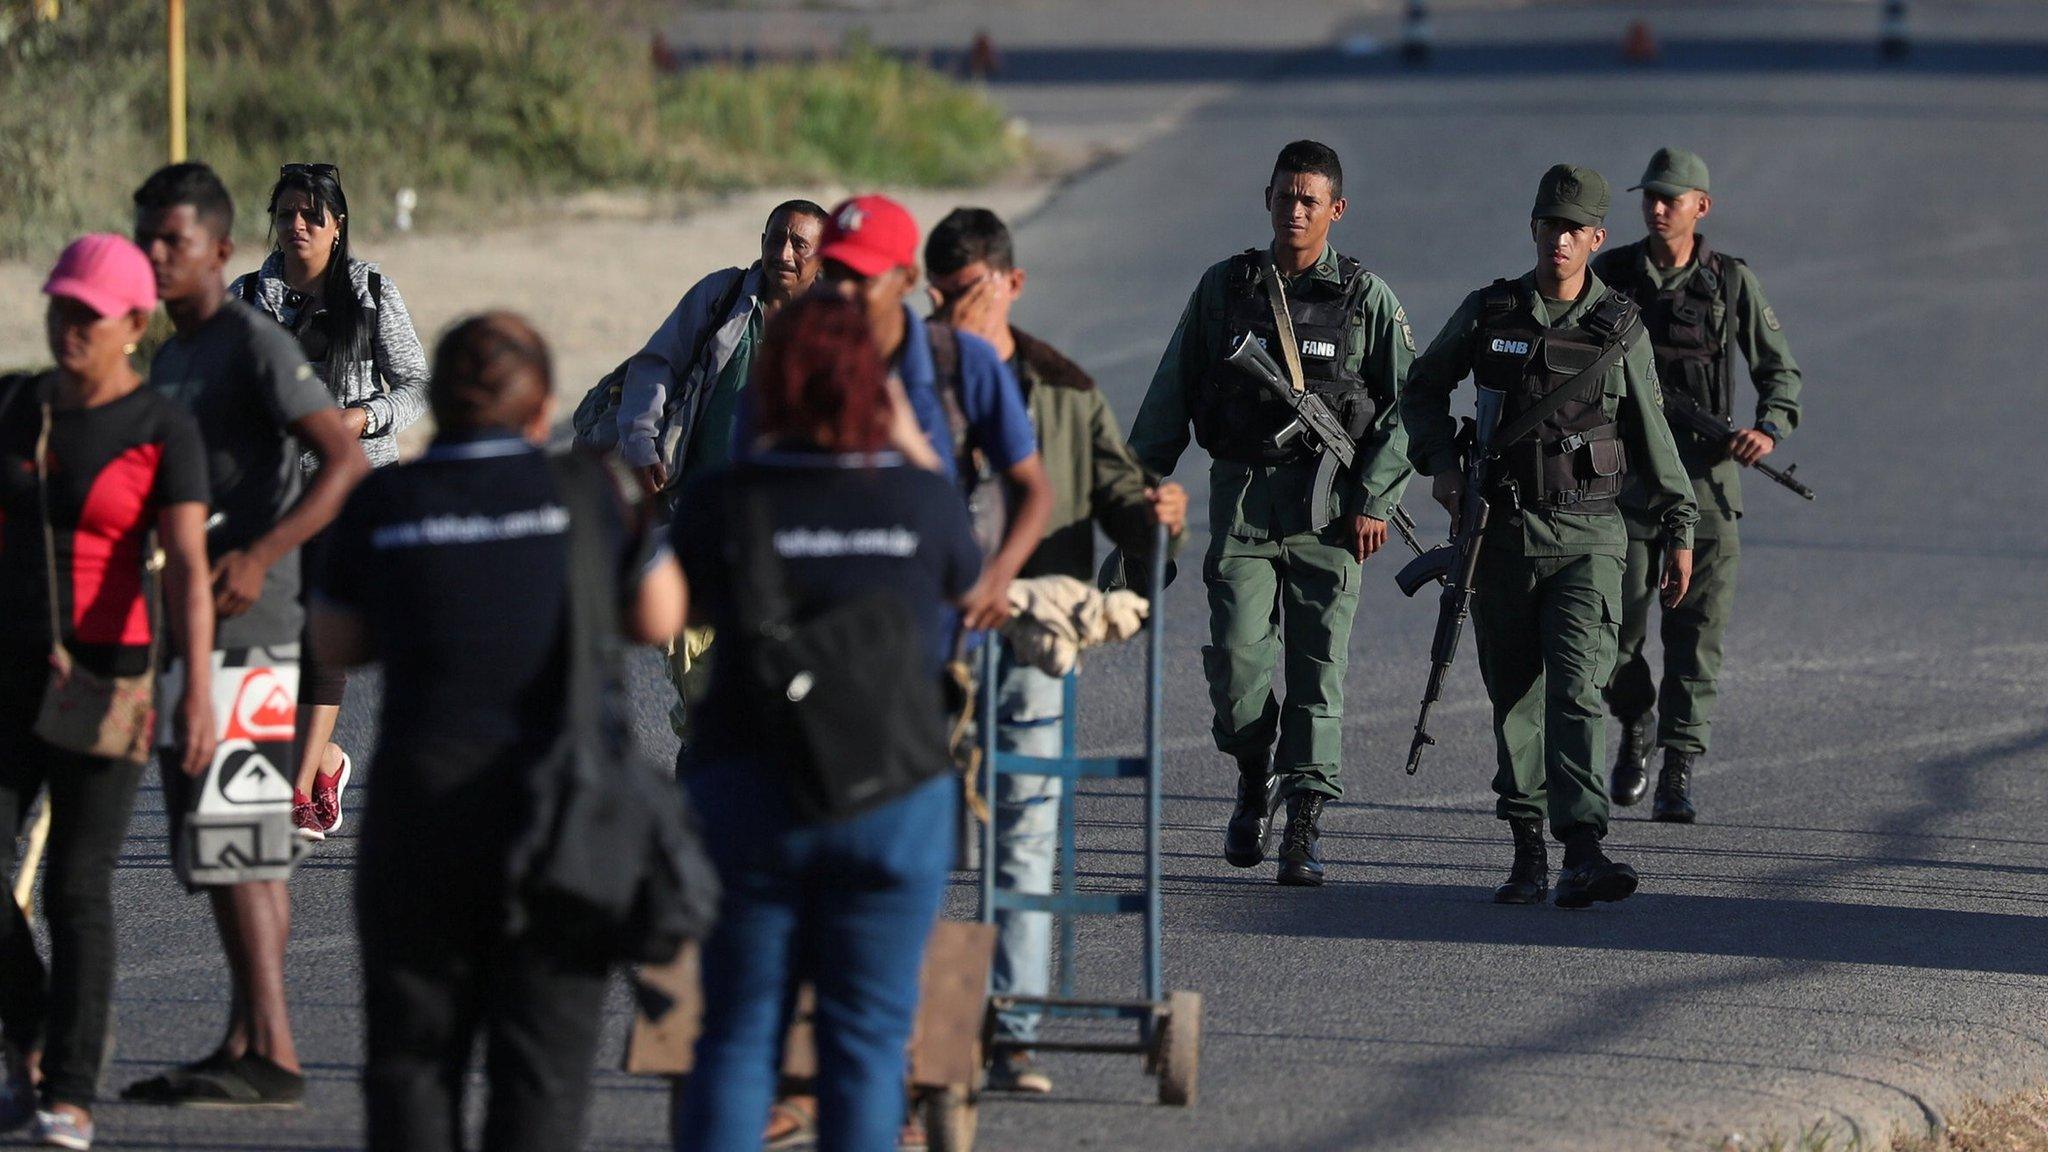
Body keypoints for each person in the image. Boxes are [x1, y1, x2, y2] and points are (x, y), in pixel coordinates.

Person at [310, 312, 681, 1152]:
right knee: (541, 1075)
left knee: (413, 1061)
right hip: (561, 822)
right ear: (543, 405)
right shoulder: (592, 491)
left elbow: (337, 643)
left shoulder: (385, 500)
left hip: (424, 817)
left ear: (436, 402)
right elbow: (660, 616)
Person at [670, 296, 980, 1152]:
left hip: (750, 787)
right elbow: (965, 580)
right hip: (890, 790)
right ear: (872, 390)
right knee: (867, 1042)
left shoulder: (727, 503)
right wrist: (911, 442)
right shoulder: (921, 503)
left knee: (737, 1035)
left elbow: (669, 604)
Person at [924, 206, 1187, 1096]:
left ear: (1011, 283)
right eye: (942, 294)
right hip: (922, 646)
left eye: (971, 292)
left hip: (1032, 637)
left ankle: (1010, 1031)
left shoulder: (1063, 391)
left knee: (1025, 838)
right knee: (919, 838)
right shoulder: (906, 380)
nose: (958, 310)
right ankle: (921, 1026)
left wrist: (1157, 520)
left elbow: (1119, 489)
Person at [122, 162, 370, 1106]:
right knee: (227, 843)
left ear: (221, 251)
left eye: (172, 241)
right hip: (194, 617)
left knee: (243, 840)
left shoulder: (249, 342)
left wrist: (264, 554)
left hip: (255, 620)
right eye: (146, 237)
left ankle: (273, 1051)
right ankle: (246, 1038)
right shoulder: (174, 355)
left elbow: (342, 457)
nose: (154, 256)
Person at [1399, 164, 1698, 909]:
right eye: (1548, 224)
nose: (1560, 239)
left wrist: (1680, 522)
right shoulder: (1491, 312)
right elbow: (1421, 386)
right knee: (1516, 699)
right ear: (1533, 228)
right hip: (1500, 538)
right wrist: (1439, 464)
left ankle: (1585, 847)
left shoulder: (1619, 329)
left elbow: (1653, 436)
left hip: (1590, 539)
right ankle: (1527, 844)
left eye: (1574, 228)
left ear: (1597, 237)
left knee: (1575, 690)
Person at [1126, 140, 1416, 886]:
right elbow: (1171, 393)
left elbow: (1408, 410)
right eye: (1285, 195)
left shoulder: (1365, 298)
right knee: (1235, 665)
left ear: (1336, 210)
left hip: (1330, 513)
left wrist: (1375, 499)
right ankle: (1254, 774)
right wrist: (1135, 495)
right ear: (1268, 198)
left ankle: (1305, 825)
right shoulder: (1225, 289)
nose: (1295, 210)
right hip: (1245, 500)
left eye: (1310, 200)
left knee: (1320, 669)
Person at [0, 235, 217, 1151]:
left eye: (87, 312)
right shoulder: (13, 403)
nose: (68, 324)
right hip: (8, 675)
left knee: (76, 889)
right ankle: (36, 1028)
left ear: (134, 325)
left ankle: (70, 1093)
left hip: (112, 680)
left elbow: (189, 575)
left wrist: (195, 687)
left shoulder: (160, 426)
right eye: (59, 306)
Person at [1593, 148, 1804, 823]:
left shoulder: (1729, 283)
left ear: (1700, 207)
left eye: (1672, 198)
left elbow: (1781, 373)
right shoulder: (1613, 276)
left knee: (1696, 635)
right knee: (1611, 630)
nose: (1658, 208)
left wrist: (1766, 429)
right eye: (1650, 196)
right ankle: (1635, 720)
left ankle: (1678, 765)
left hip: (1707, 489)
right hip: (1621, 486)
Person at [228, 161, 429, 842]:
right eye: (286, 213)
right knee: (271, 637)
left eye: (313, 215)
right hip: (273, 494)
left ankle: (291, 788)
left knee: (323, 637)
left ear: (338, 226)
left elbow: (414, 386)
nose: (298, 226)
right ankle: (327, 762)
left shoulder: (372, 290)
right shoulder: (248, 296)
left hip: (351, 490)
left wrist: (364, 419)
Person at [609, 199, 828, 750]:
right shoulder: (722, 297)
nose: (782, 253)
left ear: (822, 258)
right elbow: (655, 364)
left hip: (791, 536)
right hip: (703, 521)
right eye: (775, 238)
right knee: (699, 669)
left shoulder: (835, 327)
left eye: (799, 244)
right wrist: (641, 441)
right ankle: (707, 755)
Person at [806, 194, 1053, 633]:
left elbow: (1034, 488)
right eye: (833, 274)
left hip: (931, 637)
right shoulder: (792, 369)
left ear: (908, 279)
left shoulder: (964, 363)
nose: (841, 292)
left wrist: (996, 580)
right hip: (825, 630)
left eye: (860, 277)